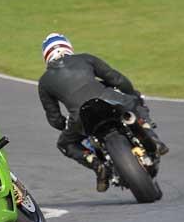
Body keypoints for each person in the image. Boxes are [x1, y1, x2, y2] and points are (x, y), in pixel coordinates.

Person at [37, 33, 168, 192]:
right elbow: (116, 79)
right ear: (68, 47)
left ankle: (98, 166)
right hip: (110, 100)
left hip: (80, 118)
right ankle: (153, 138)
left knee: (65, 143)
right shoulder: (85, 58)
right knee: (135, 101)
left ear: (46, 56)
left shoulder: (44, 82)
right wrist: (132, 93)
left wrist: (66, 124)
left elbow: (54, 118)